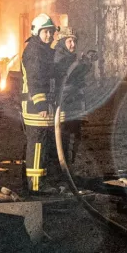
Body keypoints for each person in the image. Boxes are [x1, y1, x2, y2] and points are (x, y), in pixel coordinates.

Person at [21, 13, 58, 194]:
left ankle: (38, 182)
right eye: (45, 32)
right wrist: (41, 105)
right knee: (37, 145)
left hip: (39, 107)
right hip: (35, 107)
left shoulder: (42, 50)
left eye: (51, 32)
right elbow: (35, 80)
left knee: (41, 143)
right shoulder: (35, 52)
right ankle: (36, 186)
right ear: (37, 32)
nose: (49, 36)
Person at [53, 28, 83, 166]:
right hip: (65, 106)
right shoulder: (59, 58)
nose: (73, 44)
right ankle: (65, 169)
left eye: (74, 41)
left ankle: (68, 167)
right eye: (69, 41)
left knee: (73, 137)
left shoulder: (70, 57)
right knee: (66, 138)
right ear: (62, 42)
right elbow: (67, 78)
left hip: (73, 105)